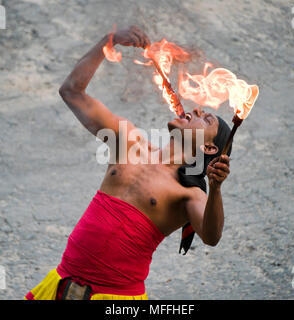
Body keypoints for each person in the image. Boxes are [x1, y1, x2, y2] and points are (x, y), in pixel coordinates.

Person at [25, 26, 231, 300]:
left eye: (205, 120)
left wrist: (215, 188)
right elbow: (72, 92)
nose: (195, 110)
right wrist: (107, 42)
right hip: (60, 284)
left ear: (208, 147)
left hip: (116, 299)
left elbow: (211, 236)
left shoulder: (188, 193)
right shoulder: (129, 141)